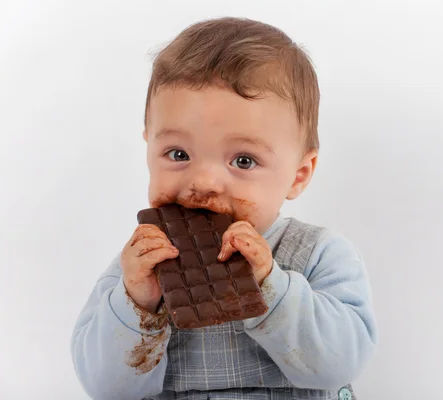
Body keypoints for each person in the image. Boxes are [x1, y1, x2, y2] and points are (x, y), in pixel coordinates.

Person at [71, 17, 377, 400]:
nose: (204, 183)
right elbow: (106, 389)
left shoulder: (319, 254)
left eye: (244, 161)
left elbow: (340, 364)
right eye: (178, 154)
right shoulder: (136, 269)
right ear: (148, 147)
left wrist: (269, 285)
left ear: (298, 175)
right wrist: (137, 305)